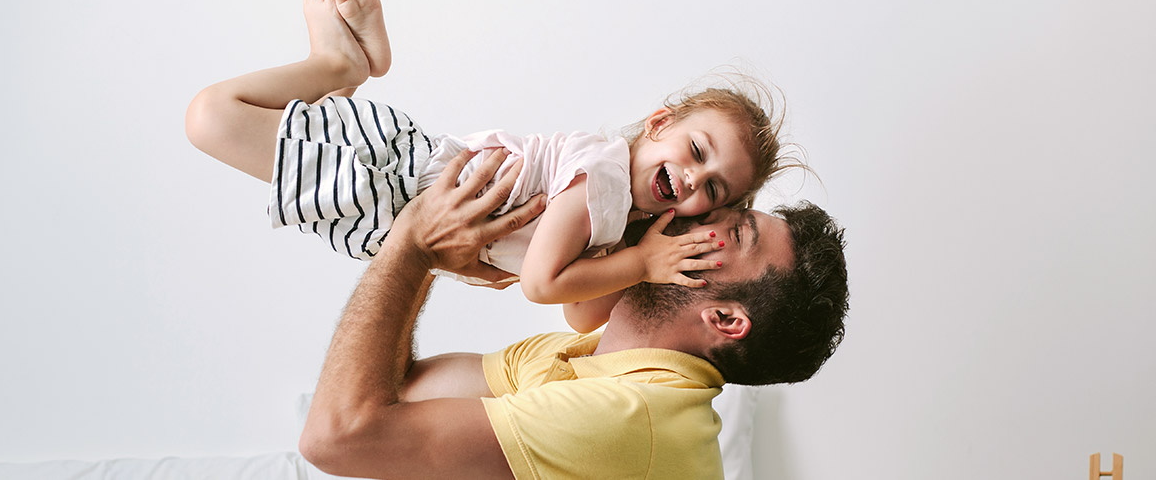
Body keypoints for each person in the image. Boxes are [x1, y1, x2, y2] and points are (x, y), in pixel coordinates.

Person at [184, 0, 800, 333]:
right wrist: (641, 264)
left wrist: (639, 253)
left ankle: (345, 73)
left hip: (401, 199)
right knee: (212, 117)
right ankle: (336, 65)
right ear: (660, 123)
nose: (692, 178)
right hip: (403, 183)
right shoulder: (605, 182)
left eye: (713, 190)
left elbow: (581, 317)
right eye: (696, 152)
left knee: (297, 136)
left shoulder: (615, 219)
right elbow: (540, 284)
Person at [296, 146, 850, 478]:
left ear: (726, 321)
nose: (697, 207)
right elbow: (401, 393)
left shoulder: (628, 419)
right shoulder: (582, 359)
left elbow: (336, 436)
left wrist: (413, 245)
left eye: (732, 231)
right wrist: (433, 253)